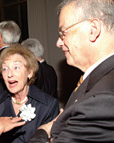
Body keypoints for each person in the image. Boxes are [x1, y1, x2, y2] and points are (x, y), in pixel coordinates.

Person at [28, 0, 114, 142]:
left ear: (93, 29)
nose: (58, 43)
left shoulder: (102, 99)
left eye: (63, 33)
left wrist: (43, 131)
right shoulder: (96, 80)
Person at [0, 44, 59, 143]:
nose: (9, 74)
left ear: (29, 72)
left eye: (16, 67)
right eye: (5, 68)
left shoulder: (48, 105)